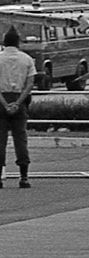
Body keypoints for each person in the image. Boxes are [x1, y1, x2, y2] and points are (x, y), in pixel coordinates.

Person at [0, 25, 36, 188]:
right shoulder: (27, 59)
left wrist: (6, 104)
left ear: (3, 41)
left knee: (0, 140)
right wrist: (17, 103)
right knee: (20, 139)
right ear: (18, 42)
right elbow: (29, 85)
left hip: (1, 100)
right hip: (19, 101)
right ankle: (24, 176)